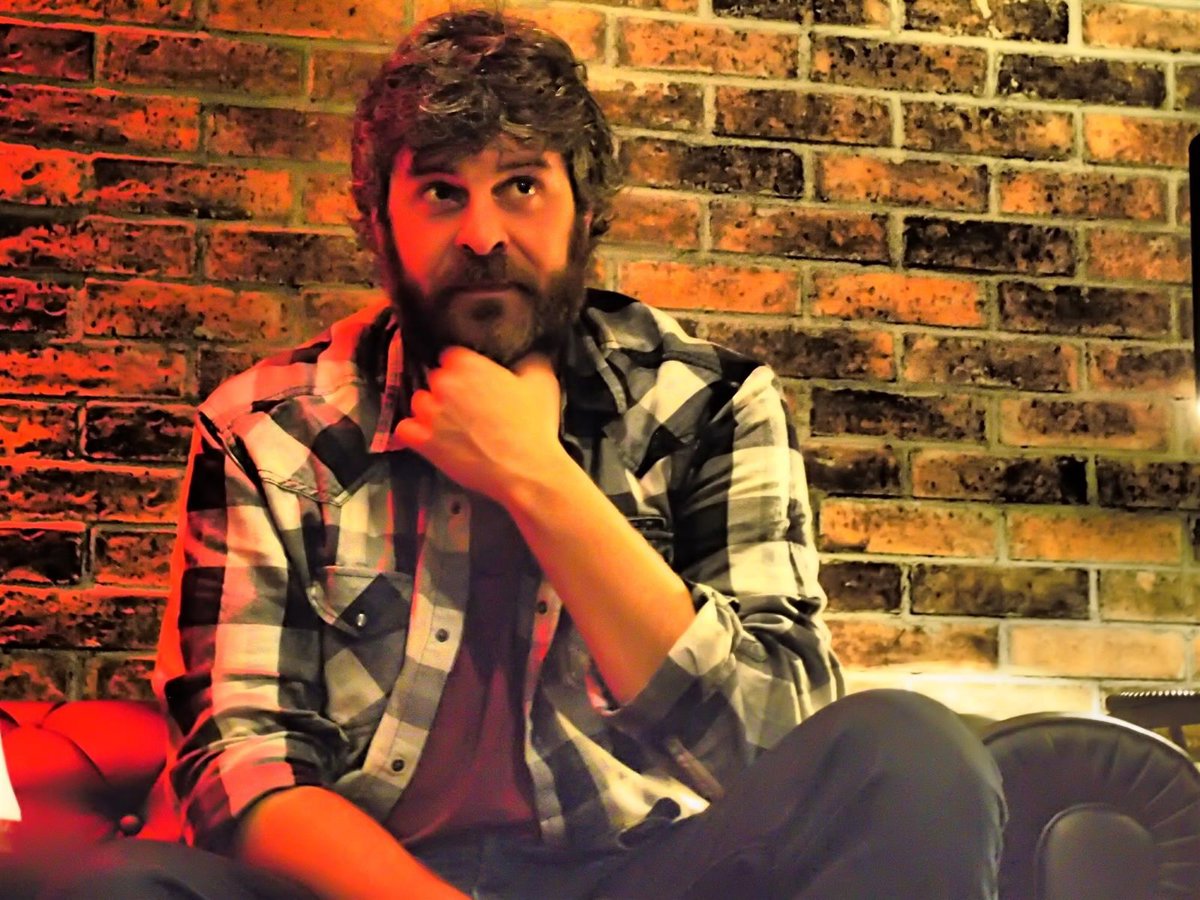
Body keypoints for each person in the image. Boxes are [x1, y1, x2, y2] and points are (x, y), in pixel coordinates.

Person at [51, 10, 1004, 899]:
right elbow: (243, 765)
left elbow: (772, 739)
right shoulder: (268, 427)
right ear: (378, 223)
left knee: (908, 750)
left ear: (584, 210)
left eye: (520, 185)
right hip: (369, 883)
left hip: (635, 868)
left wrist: (538, 476)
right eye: (440, 192)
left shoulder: (707, 406)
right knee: (118, 889)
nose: (482, 234)